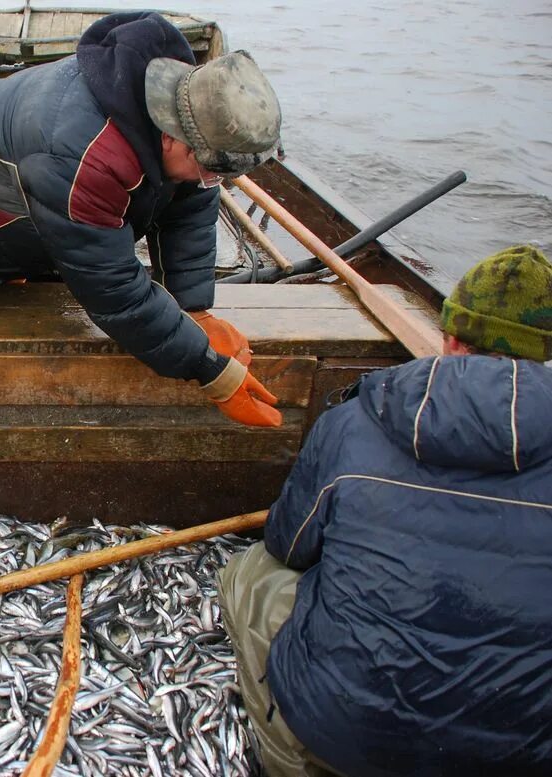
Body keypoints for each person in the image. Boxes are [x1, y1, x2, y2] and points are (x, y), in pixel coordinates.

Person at [218, 244, 552, 776]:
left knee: (252, 572)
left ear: (449, 336)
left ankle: (284, 756)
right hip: (520, 758)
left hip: (342, 739)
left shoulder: (358, 419)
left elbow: (287, 544)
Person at [0, 12, 285, 428]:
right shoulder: (84, 156)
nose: (212, 182)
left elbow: (190, 204)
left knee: (122, 215)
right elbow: (115, 293)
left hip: (10, 176)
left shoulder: (180, 103)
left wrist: (194, 311)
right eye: (212, 170)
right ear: (173, 136)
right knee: (74, 250)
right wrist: (214, 373)